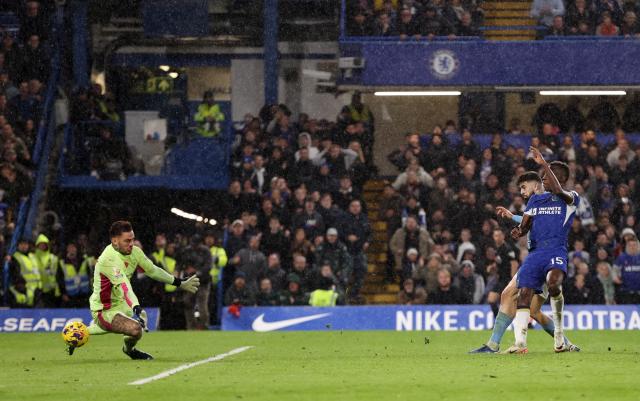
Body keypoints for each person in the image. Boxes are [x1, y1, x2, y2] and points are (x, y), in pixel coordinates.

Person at [470, 158, 580, 354]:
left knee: (507, 294)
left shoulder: (561, 199)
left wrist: (515, 219)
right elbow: (531, 221)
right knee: (535, 311)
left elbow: (543, 217)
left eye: (523, 187)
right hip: (536, 257)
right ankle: (564, 342)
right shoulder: (536, 202)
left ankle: (494, 344)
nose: (521, 191)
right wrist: (514, 219)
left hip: (548, 256)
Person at [80, 221, 200, 359]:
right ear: (115, 241)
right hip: (104, 309)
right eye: (127, 241)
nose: (131, 243)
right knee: (135, 329)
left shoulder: (135, 252)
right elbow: (125, 286)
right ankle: (94, 333)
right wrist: (137, 308)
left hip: (123, 305)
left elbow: (153, 270)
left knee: (135, 329)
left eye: (132, 239)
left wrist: (178, 282)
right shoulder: (108, 259)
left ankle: (89, 332)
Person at [507, 148, 581, 354]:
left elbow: (558, 190)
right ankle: (520, 343)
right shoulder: (535, 200)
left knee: (554, 283)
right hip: (536, 253)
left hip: (556, 249)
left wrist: (544, 164)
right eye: (543, 175)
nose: (543, 178)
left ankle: (558, 333)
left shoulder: (572, 198)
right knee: (524, 295)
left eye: (548, 174)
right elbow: (525, 226)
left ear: (561, 178)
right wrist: (518, 230)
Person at [178, 234, 212, 330]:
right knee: (188, 303)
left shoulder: (206, 251)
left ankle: (204, 326)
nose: (194, 246)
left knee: (202, 305)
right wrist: (185, 270)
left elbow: (208, 267)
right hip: (190, 281)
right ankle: (191, 326)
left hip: (203, 281)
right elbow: (181, 264)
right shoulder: (187, 251)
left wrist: (196, 271)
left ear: (200, 244)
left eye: (196, 244)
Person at [56, 242, 91, 308]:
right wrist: (63, 293)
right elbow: (60, 279)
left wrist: (91, 291)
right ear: (67, 250)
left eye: (73, 247)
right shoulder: (62, 262)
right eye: (69, 248)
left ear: (76, 249)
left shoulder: (84, 260)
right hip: (70, 296)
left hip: (84, 295)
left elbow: (89, 275)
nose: (71, 249)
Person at [31, 234, 59, 307]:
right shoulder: (32, 257)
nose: (42, 246)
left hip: (51, 290)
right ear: (37, 245)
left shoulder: (53, 258)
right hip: (37, 289)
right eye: (40, 244)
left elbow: (57, 275)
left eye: (44, 244)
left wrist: (57, 289)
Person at [613, 231, 640, 304]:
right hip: (626, 293)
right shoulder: (622, 257)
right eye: (630, 245)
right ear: (627, 246)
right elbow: (615, 269)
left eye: (634, 245)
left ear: (638, 246)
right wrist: (615, 277)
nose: (632, 247)